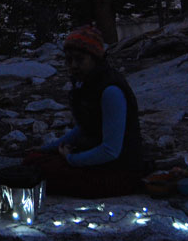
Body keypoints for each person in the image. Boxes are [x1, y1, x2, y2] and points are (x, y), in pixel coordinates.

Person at [23, 25, 144, 197]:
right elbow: (85, 127)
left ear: (95, 59)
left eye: (79, 60)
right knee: (33, 160)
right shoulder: (87, 84)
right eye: (69, 60)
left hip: (120, 171)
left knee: (42, 173)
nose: (73, 66)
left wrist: (71, 159)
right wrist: (48, 149)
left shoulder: (110, 91)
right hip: (98, 160)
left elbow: (111, 150)